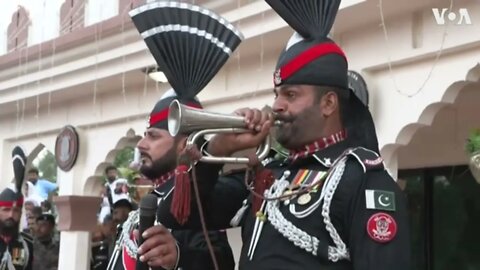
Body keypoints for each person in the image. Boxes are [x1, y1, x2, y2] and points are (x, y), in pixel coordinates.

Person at [151, 1, 411, 269]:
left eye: (291, 95)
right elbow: (175, 215)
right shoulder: (268, 176)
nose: (276, 106)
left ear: (328, 104)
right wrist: (219, 148)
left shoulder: (364, 182)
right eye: (277, 95)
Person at [106, 90, 236, 270]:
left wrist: (179, 256)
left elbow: (221, 261)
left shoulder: (196, 199)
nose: (141, 144)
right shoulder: (154, 196)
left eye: (153, 136)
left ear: (185, 145)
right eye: (145, 135)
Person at [0, 185, 34, 270]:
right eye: (6, 210)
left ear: (20, 214)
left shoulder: (27, 243)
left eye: (16, 210)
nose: (11, 215)